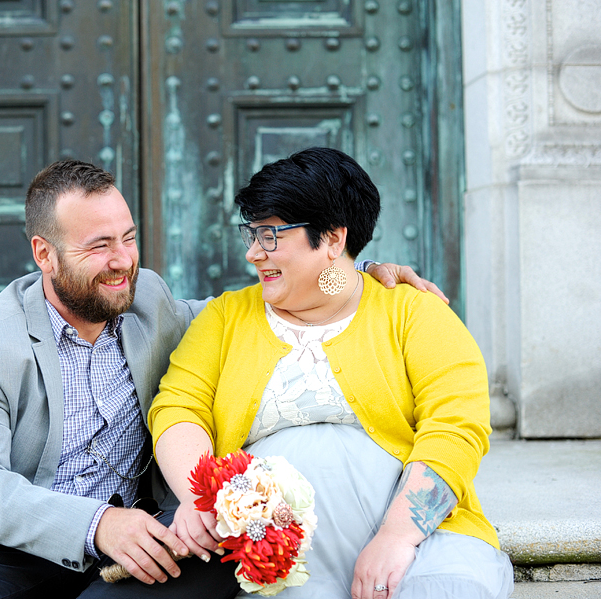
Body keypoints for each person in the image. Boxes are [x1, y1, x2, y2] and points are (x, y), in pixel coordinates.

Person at [0, 158, 443, 599]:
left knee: (231, 555)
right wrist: (98, 525)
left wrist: (352, 271)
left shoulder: (148, 301)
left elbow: (257, 305)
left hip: (152, 541)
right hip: (5, 551)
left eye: (129, 238)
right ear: (44, 254)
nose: (123, 259)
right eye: (99, 245)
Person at [149, 148, 514, 599]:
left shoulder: (414, 313)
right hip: (278, 554)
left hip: (416, 540)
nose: (252, 254)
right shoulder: (226, 317)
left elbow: (457, 427)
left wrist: (398, 537)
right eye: (252, 234)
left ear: (333, 240)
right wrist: (199, 495)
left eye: (270, 236)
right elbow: (178, 407)